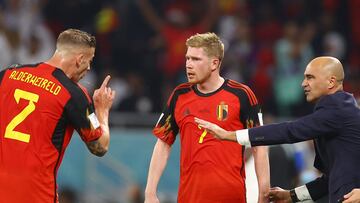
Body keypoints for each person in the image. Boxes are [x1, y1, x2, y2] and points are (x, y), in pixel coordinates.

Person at [195, 56, 360, 202]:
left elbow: (290, 131)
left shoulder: (337, 109)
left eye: (310, 77)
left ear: (331, 82)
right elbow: (329, 181)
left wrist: (231, 135)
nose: (303, 83)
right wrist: (291, 196)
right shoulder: (337, 113)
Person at [145, 32, 270, 203]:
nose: (188, 65)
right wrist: (150, 192)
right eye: (187, 58)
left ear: (214, 63)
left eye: (196, 59)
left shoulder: (242, 95)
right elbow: (163, 143)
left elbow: (259, 145)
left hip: (230, 197)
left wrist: (264, 192)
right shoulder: (179, 95)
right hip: (189, 197)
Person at [0, 29, 115, 202]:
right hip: (37, 195)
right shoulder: (73, 94)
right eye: (89, 61)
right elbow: (100, 147)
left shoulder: (8, 74)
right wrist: (102, 111)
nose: (89, 68)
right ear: (79, 60)